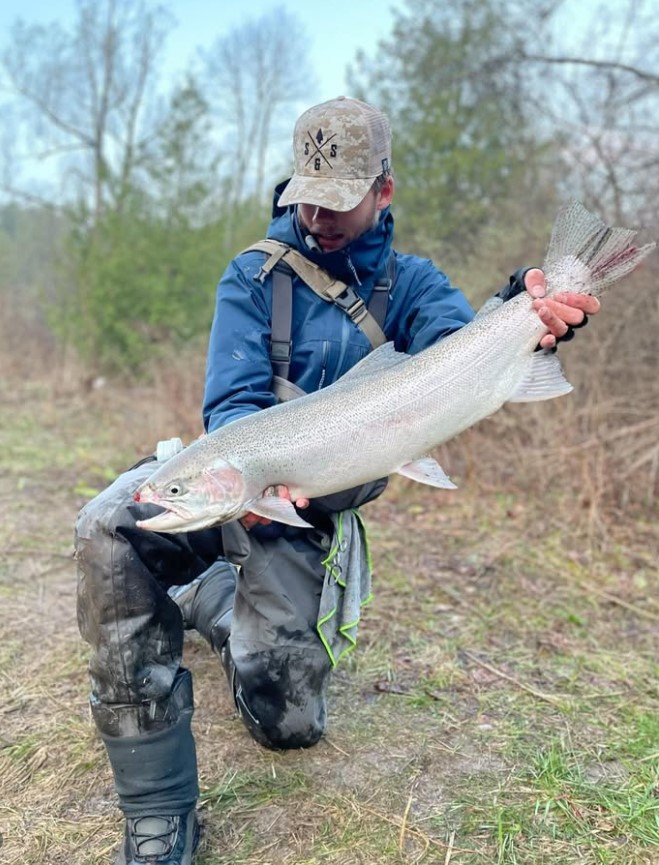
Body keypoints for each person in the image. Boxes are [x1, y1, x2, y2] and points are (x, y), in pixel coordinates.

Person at [74, 95, 599, 865]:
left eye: (338, 199)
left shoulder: (412, 286)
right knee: (108, 528)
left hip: (307, 517)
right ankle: (156, 812)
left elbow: (459, 353)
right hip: (239, 485)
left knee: (287, 721)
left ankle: (211, 601)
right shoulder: (252, 276)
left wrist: (528, 313)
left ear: (383, 190)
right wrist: (240, 486)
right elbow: (231, 408)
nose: (317, 214)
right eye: (306, 197)